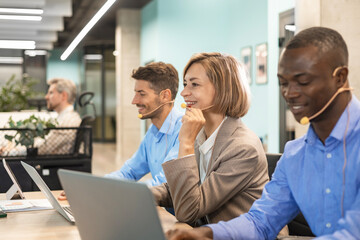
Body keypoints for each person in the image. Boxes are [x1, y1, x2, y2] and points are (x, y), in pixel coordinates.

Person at [166, 27, 360, 239]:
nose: (290, 93)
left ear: (340, 78)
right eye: (283, 83)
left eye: (303, 81)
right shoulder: (296, 153)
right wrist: (207, 234)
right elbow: (261, 221)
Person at [151, 53, 268, 227]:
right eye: (185, 84)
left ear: (222, 89)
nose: (183, 93)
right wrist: (142, 195)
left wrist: (186, 143)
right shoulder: (202, 135)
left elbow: (189, 210)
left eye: (194, 84)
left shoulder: (243, 147)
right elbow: (181, 187)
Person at [105, 62, 183, 186]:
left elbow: (164, 183)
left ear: (165, 96)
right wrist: (95, 186)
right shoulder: (153, 131)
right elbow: (129, 173)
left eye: (141, 94)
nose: (134, 101)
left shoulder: (184, 130)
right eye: (135, 93)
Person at [36, 78, 81, 155]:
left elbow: (41, 149)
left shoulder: (67, 122)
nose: (46, 97)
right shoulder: (66, 118)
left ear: (63, 96)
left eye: (51, 93)